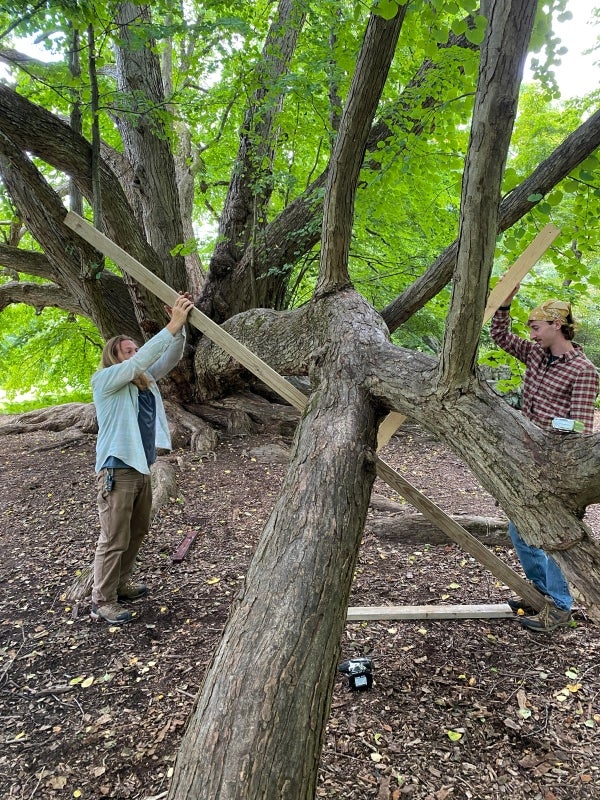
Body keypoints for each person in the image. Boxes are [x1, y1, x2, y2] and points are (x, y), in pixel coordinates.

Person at [490, 284, 599, 633]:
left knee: (553, 535)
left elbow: (582, 426)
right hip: (525, 457)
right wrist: (505, 299)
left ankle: (560, 608)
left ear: (557, 325)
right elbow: (500, 335)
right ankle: (539, 593)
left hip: (557, 463)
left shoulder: (584, 371)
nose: (531, 334)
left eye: (536, 327)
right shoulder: (536, 355)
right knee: (519, 530)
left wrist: (547, 421)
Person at [90, 293, 194, 625]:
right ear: (114, 357)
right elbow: (138, 363)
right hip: (116, 468)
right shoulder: (105, 381)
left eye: (137, 350)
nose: (136, 356)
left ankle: (121, 583)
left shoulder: (143, 382)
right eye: (129, 351)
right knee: (114, 536)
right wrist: (170, 324)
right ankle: (103, 599)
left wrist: (180, 331)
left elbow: (169, 358)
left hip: (141, 466)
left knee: (137, 530)